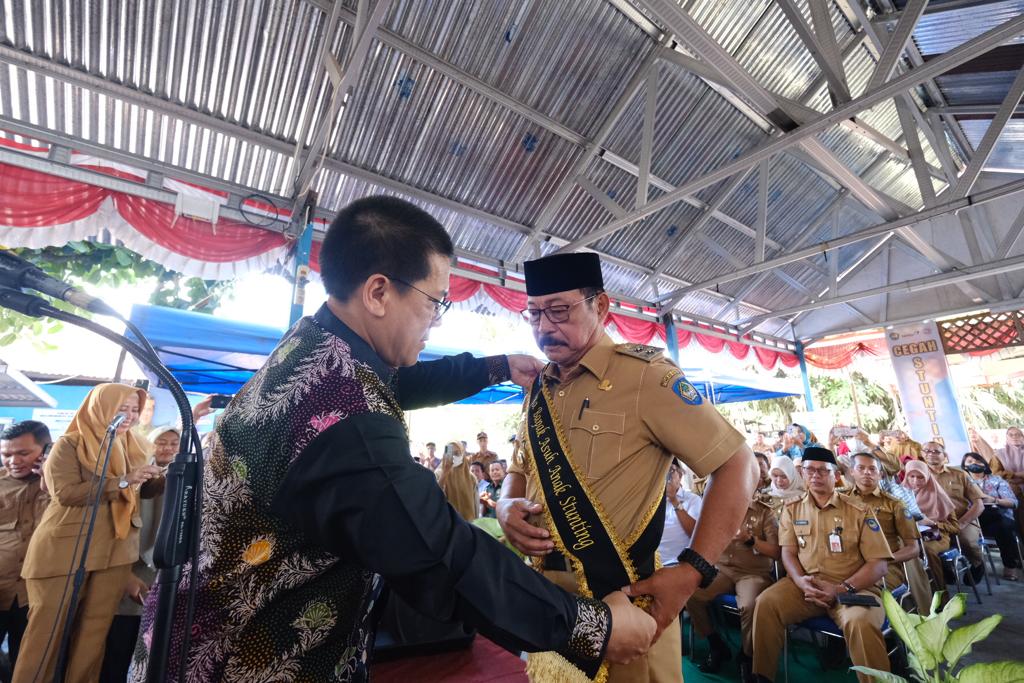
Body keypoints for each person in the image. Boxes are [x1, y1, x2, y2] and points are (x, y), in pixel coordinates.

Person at [128, 196, 655, 682]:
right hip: (239, 661)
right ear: (379, 292)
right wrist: (593, 629)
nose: (434, 322)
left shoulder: (317, 347)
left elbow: (396, 382)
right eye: (434, 303)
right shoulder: (347, 424)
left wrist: (494, 366)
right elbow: (441, 554)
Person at [499, 251, 757, 683]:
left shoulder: (645, 377)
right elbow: (520, 465)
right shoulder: (539, 388)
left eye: (559, 310)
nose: (544, 327)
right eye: (534, 314)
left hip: (624, 605)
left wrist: (693, 571)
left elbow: (739, 465)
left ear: (600, 306)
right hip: (551, 604)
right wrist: (507, 506)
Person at [15, 384, 164, 683]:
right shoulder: (70, 444)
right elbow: (65, 492)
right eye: (122, 409)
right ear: (101, 408)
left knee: (93, 634)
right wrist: (122, 481)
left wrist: (161, 478)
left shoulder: (136, 445)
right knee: (46, 634)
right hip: (66, 550)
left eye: (135, 410)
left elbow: (140, 491)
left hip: (116, 550)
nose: (130, 417)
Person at [751, 447, 893, 683]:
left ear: (835, 475)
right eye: (810, 470)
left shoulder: (858, 510)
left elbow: (879, 565)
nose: (815, 475)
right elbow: (788, 552)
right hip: (805, 587)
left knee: (860, 622)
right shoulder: (792, 508)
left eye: (822, 471)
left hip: (853, 589)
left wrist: (840, 589)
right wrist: (798, 580)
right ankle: (761, 677)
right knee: (765, 603)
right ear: (803, 474)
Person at [101, 425, 179, 682]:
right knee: (118, 645)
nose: (167, 448)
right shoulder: (136, 477)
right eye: (161, 442)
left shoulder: (184, 477)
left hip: (163, 573)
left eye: (173, 443)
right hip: (129, 570)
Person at [686, 486, 779, 680]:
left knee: (749, 605)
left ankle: (746, 656)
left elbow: (777, 552)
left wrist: (750, 540)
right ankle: (716, 644)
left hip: (752, 573)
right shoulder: (719, 509)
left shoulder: (765, 512)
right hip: (722, 570)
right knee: (691, 593)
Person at [847, 452, 933, 615]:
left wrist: (883, 562)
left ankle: (885, 635)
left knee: (863, 600)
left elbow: (913, 549)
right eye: (861, 468)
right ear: (852, 471)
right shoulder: (841, 499)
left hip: (884, 567)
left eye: (872, 469)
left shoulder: (895, 505)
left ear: (880, 474)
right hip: (847, 564)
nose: (867, 472)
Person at [0, 422, 51, 679]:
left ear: (45, 450)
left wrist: (50, 477)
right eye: (7, 454)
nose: (13, 461)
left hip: (35, 595)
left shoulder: (61, 488)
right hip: (0, 588)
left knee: (27, 665)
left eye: (23, 453)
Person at [922, 441, 985, 582]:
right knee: (924, 547)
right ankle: (944, 570)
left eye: (936, 451)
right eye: (927, 451)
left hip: (962, 519)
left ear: (944, 455)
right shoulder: (917, 476)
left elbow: (979, 504)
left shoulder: (960, 474)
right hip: (933, 522)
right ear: (921, 454)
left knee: (966, 540)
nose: (931, 454)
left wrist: (961, 524)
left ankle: (977, 563)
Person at [962, 452, 1021, 581]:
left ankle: (1010, 565)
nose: (975, 464)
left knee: (1003, 525)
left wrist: (994, 500)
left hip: (997, 518)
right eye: (970, 462)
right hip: (972, 519)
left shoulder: (996, 480)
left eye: (978, 461)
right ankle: (975, 565)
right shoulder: (962, 482)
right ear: (965, 467)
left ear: (984, 464)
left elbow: (1013, 502)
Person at [903, 460, 959, 593]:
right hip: (909, 536)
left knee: (927, 550)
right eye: (911, 476)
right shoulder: (900, 494)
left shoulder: (939, 495)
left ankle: (940, 593)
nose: (915, 481)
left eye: (921, 477)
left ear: (927, 476)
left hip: (936, 536)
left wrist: (932, 523)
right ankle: (914, 596)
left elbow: (955, 527)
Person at [656, 460, 703, 566]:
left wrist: (674, 500)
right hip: (655, 564)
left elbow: (695, 533)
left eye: (671, 471)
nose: (667, 476)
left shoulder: (692, 500)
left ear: (680, 475)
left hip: (679, 563)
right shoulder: (655, 502)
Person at [434, 441, 478, 522]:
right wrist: (445, 472)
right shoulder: (438, 474)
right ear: (445, 454)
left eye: (457, 453)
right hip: (447, 524)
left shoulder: (471, 478)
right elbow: (435, 497)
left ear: (462, 454)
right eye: (451, 453)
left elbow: (476, 505)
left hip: (468, 525)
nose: (454, 456)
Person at [993, 426, 1024, 538]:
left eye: (1018, 434)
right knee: (1019, 521)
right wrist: (1015, 475)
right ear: (1006, 438)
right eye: (1011, 435)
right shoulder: (999, 454)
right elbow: (995, 473)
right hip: (1011, 490)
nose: (1015, 437)